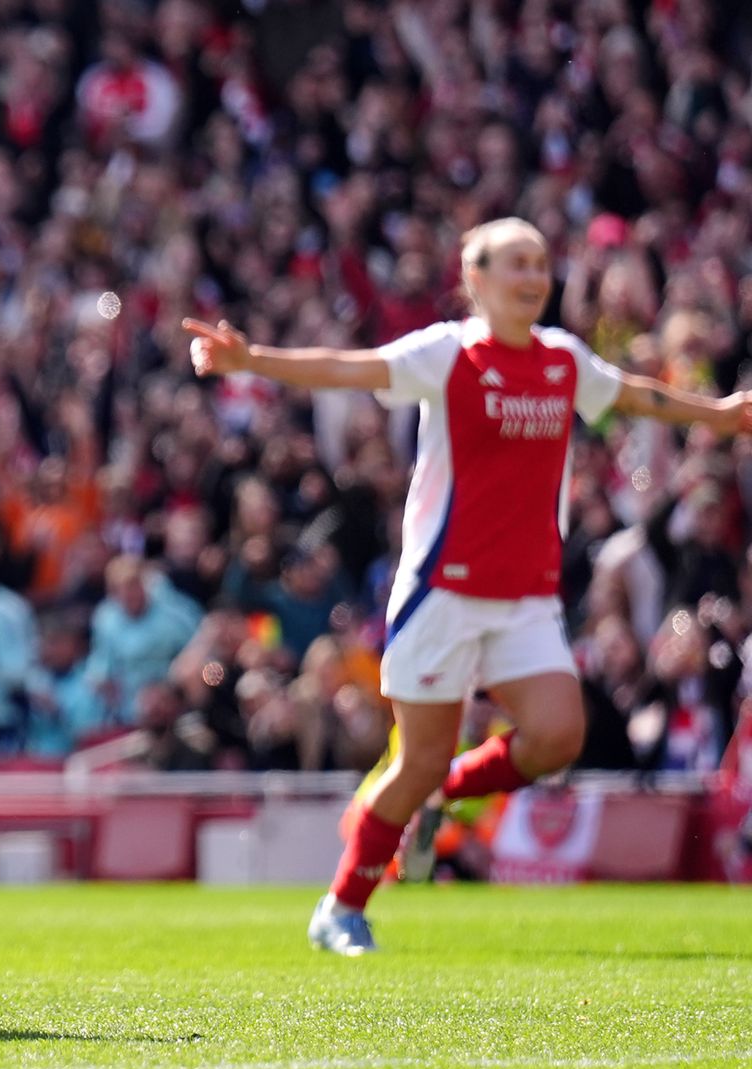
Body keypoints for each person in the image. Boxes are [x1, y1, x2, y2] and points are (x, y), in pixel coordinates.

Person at [183, 217, 752, 956]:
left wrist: (719, 414)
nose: (533, 277)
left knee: (557, 736)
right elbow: (350, 368)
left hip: (525, 597)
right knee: (415, 759)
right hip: (442, 593)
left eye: (540, 263)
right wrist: (252, 359)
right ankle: (342, 907)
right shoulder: (447, 353)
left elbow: (637, 396)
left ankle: (441, 793)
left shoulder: (563, 358)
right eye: (516, 264)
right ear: (474, 278)